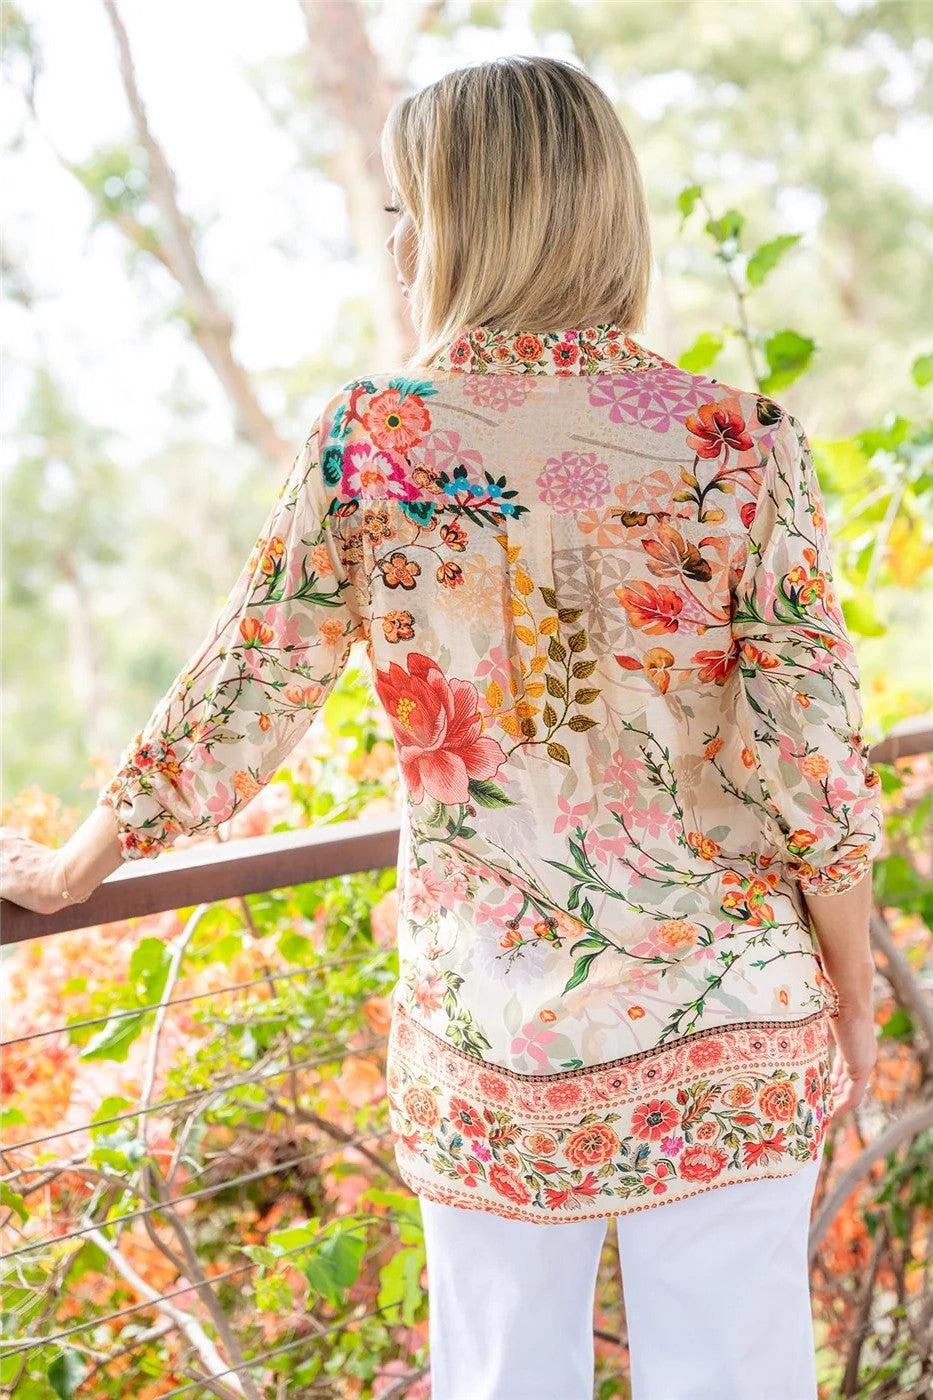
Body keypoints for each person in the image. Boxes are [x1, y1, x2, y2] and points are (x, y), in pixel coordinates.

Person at [1, 53, 883, 1400]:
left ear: (483, 216)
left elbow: (253, 684)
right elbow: (811, 758)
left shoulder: (379, 440)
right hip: (732, 1021)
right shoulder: (736, 442)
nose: (398, 245)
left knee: (502, 1380)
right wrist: (850, 1001)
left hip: (494, 1041)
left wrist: (79, 868)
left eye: (409, 208)